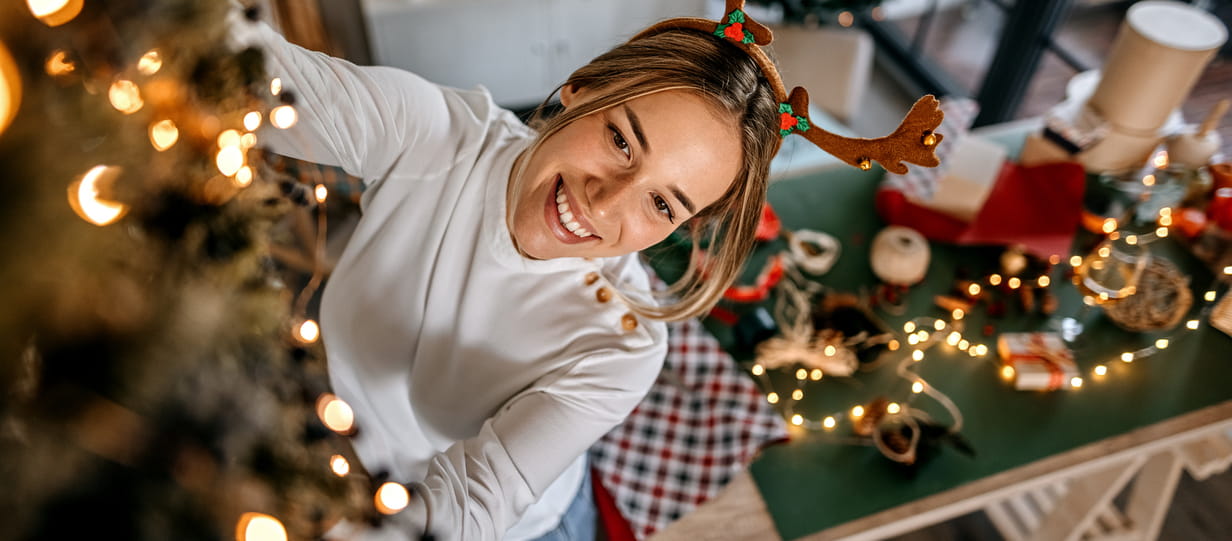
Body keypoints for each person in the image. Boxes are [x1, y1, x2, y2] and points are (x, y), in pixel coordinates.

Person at [228, 1, 940, 539]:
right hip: (326, 429)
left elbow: (468, 507)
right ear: (580, 88)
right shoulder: (438, 136)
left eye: (662, 202)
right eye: (621, 141)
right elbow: (249, 73)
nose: (602, 203)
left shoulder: (623, 347)